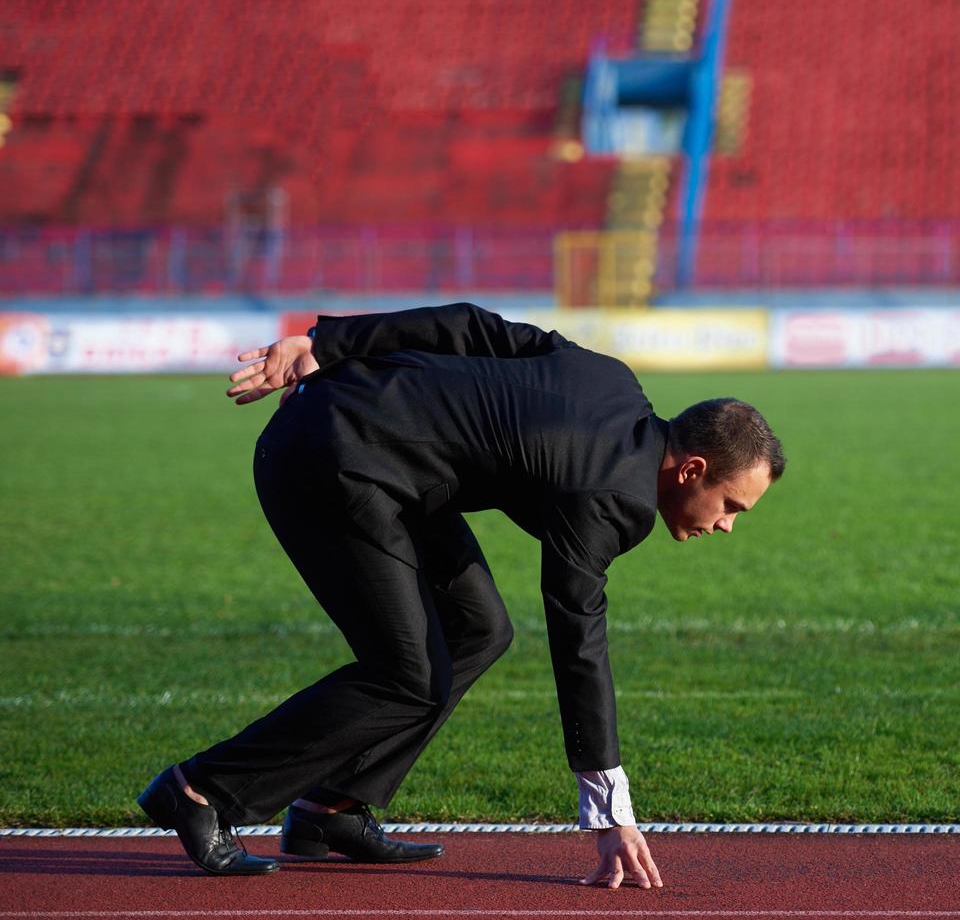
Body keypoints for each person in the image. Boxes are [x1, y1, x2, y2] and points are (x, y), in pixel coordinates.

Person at [136, 303, 785, 888]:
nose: (725, 524)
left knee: (478, 628)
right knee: (406, 675)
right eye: (731, 506)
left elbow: (472, 325)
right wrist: (609, 810)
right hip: (330, 462)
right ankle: (200, 791)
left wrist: (329, 342)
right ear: (692, 469)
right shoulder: (615, 499)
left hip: (382, 464)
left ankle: (330, 806)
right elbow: (577, 640)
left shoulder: (610, 378)